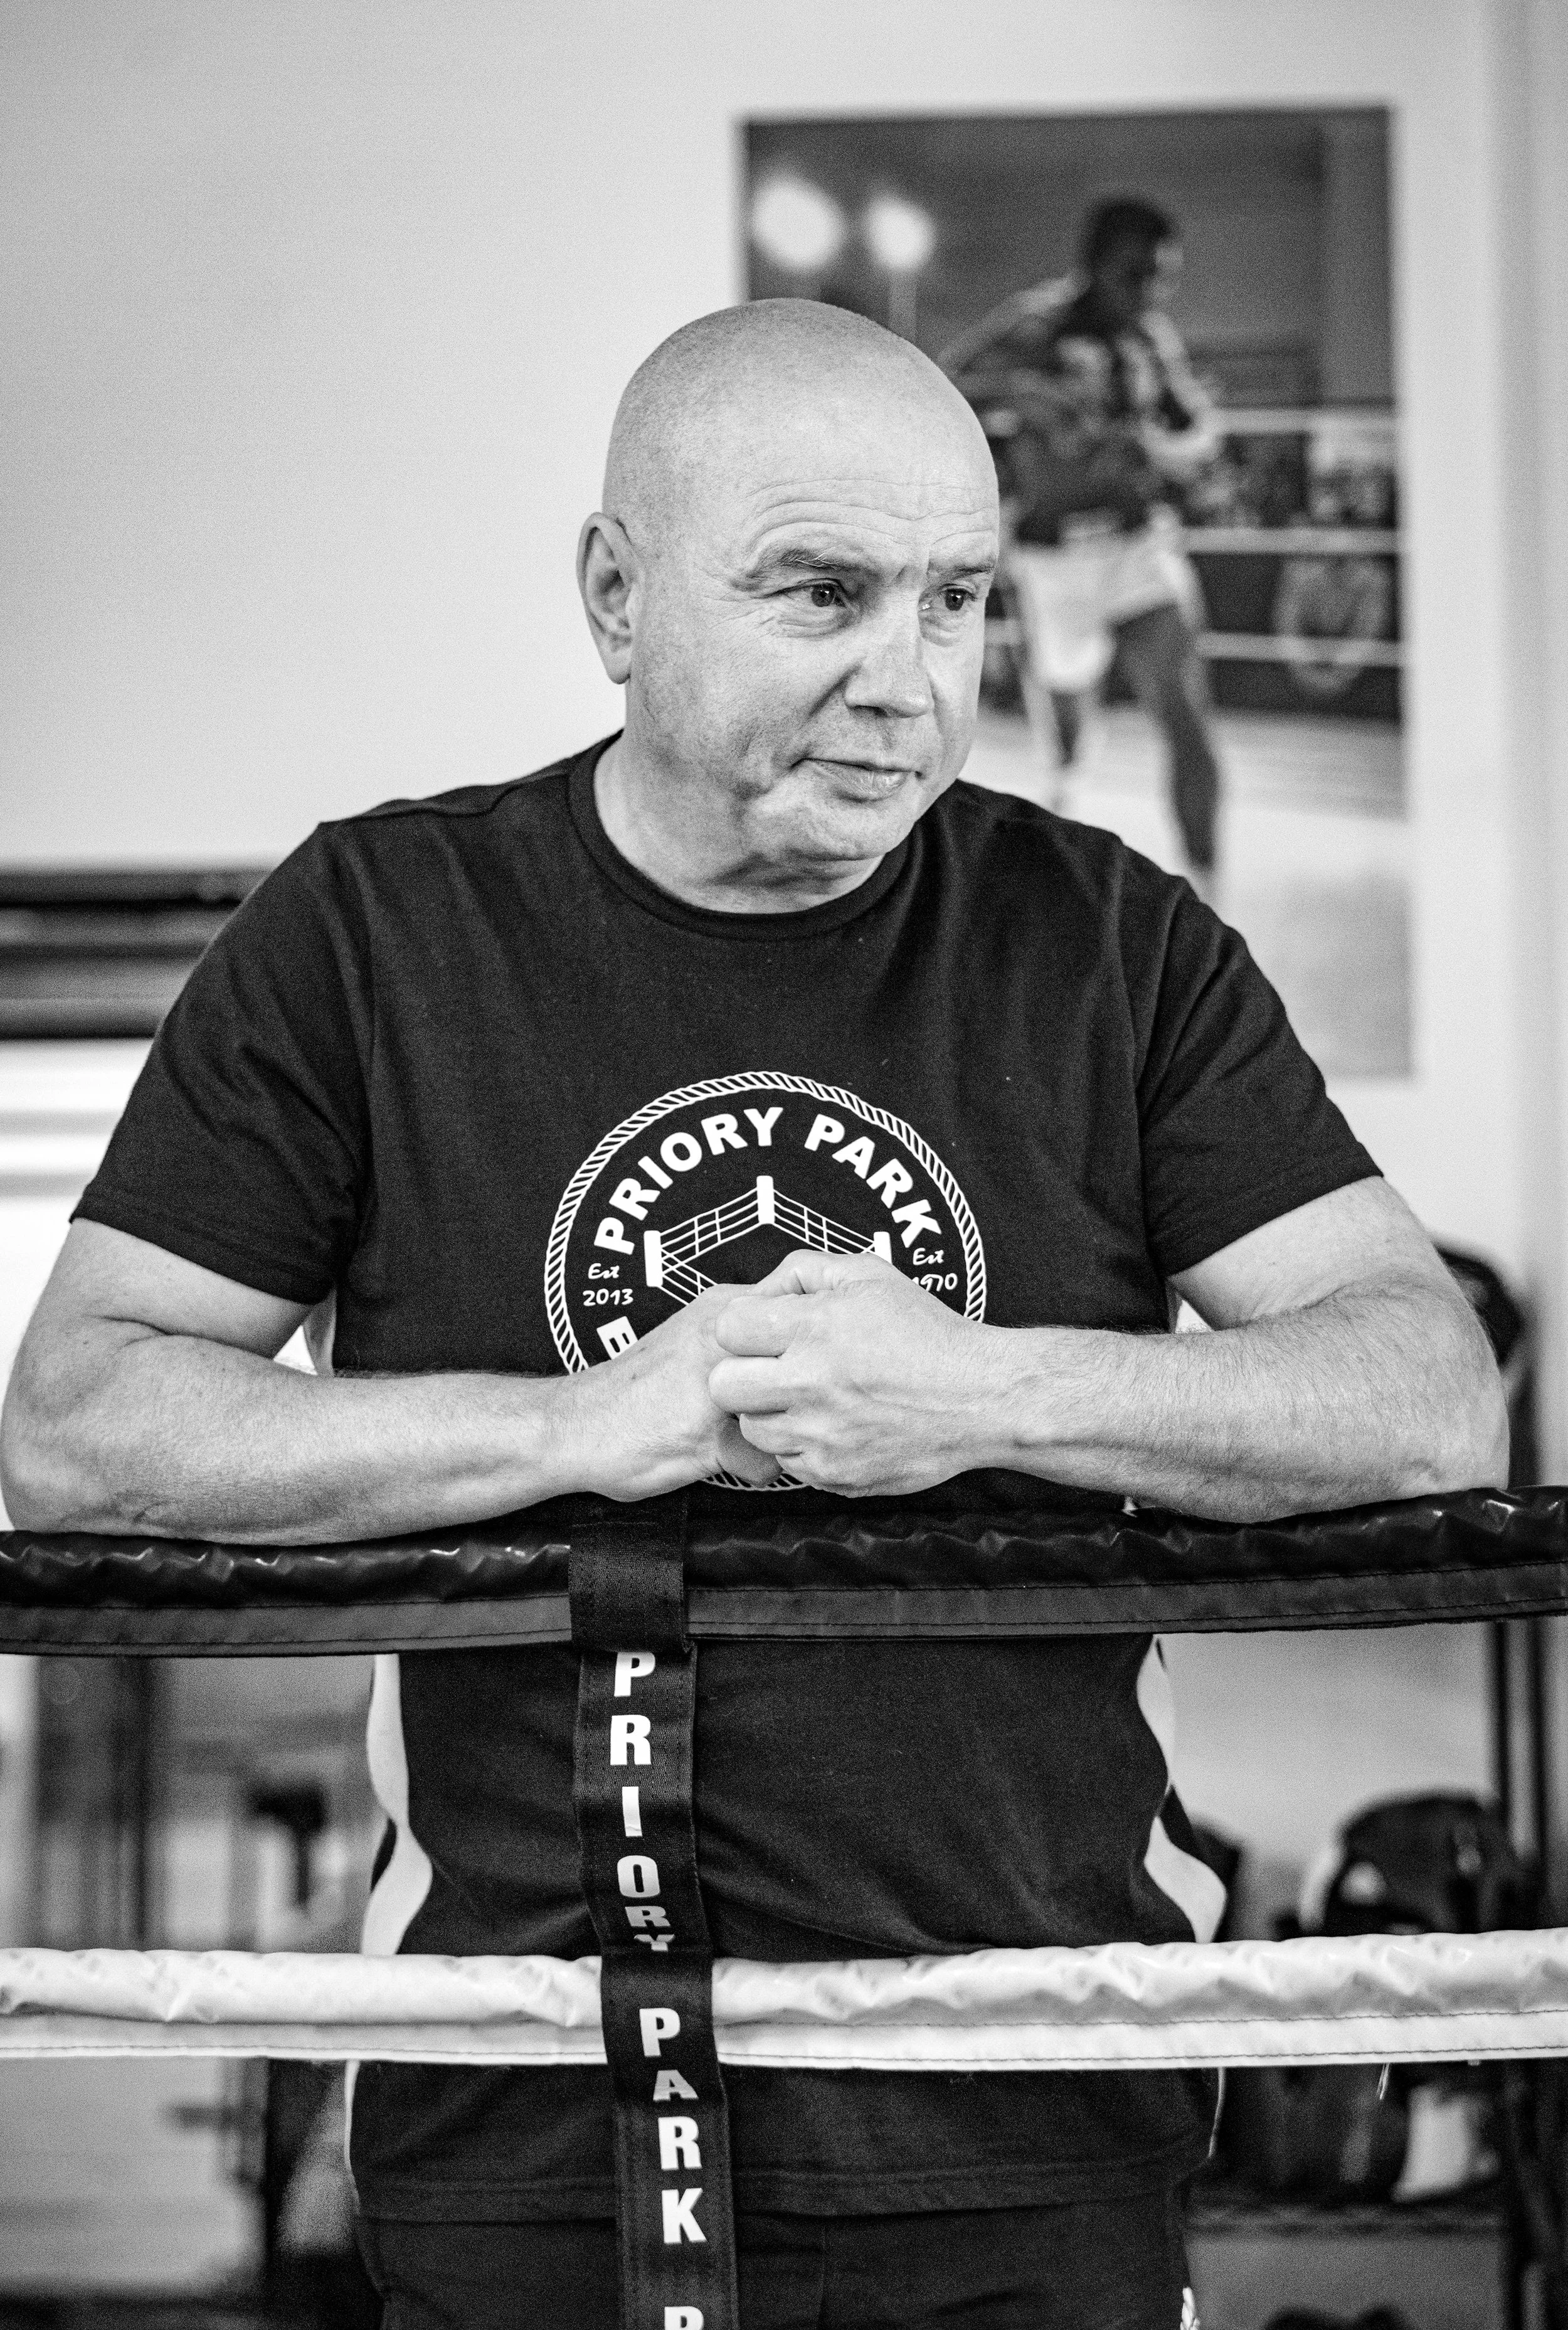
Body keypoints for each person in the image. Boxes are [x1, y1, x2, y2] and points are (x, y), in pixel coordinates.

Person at [0, 300, 1504, 2330]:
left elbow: (1430, 1400)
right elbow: (81, 1414)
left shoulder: (1108, 943)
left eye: (959, 601)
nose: (909, 683)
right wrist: (575, 1431)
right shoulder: (372, 937)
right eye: (824, 591)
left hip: (1029, 2078)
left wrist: (984, 1390)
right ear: (617, 597)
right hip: (535, 2088)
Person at [941, 196, 1224, 881]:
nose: (1149, 292)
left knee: (1185, 711)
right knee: (1067, 708)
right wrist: (1020, 398)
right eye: (1135, 273)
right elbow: (939, 385)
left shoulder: (1152, 341)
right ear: (1095, 267)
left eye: (1162, 276)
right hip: (1054, 555)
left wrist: (1160, 445)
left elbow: (1199, 433)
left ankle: (1209, 884)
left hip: (1137, 546)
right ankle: (1065, 775)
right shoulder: (1034, 324)